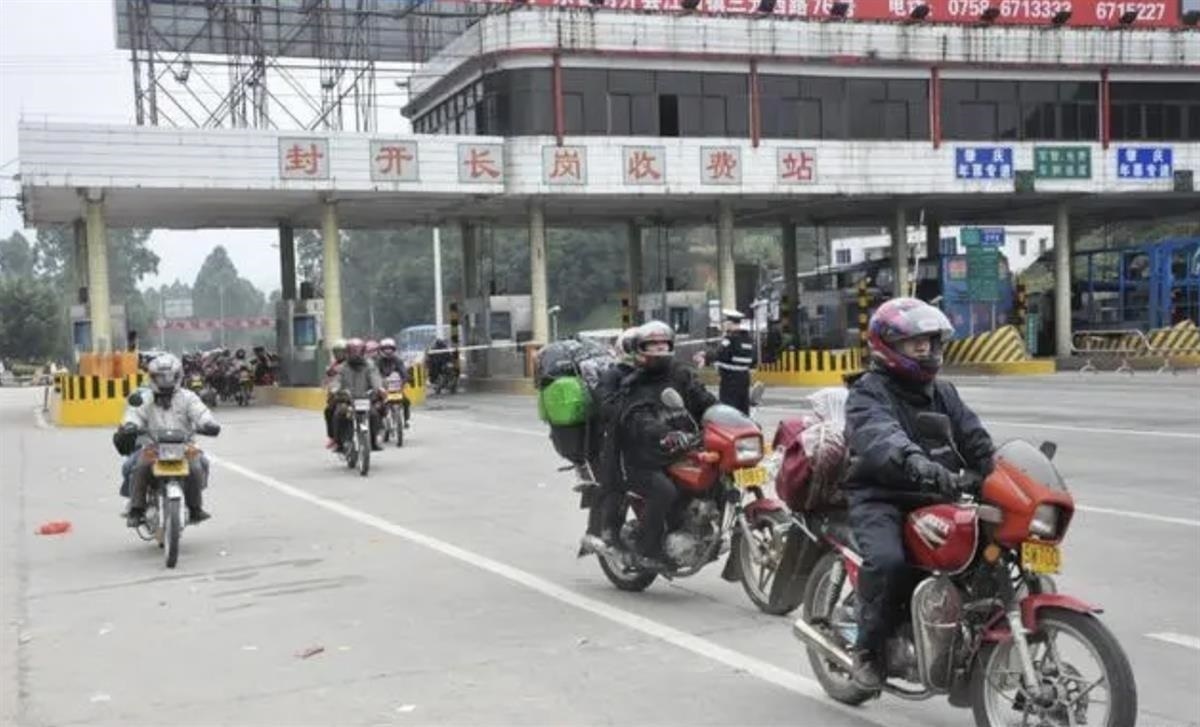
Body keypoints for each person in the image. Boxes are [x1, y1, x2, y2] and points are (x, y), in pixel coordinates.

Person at [843, 297, 995, 691]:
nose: (926, 349)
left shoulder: (943, 393)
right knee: (889, 562)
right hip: (882, 495)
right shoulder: (868, 392)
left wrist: (995, 468)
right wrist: (915, 462)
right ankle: (867, 649)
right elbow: (880, 435)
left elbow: (973, 436)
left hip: (934, 494)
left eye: (930, 341)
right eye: (916, 343)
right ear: (889, 346)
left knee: (984, 552)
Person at [614, 321, 717, 569]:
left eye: (663, 344)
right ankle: (646, 548)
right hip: (644, 458)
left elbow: (704, 400)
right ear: (640, 349)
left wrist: (729, 416)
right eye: (653, 345)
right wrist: (665, 434)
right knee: (664, 490)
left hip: (682, 451)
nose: (659, 349)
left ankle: (699, 530)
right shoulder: (634, 384)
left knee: (717, 477)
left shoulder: (681, 375)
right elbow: (639, 419)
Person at [113, 354, 220, 527]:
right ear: (152, 377)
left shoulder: (188, 397)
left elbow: (200, 412)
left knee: (197, 466)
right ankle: (136, 509)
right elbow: (133, 414)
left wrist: (208, 423)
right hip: (153, 447)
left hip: (184, 446)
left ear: (178, 376)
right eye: (160, 377)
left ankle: (195, 507)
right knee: (140, 467)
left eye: (170, 376)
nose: (165, 381)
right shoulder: (144, 398)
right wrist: (130, 425)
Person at [578, 326, 640, 555]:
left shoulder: (655, 374)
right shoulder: (613, 375)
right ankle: (605, 534)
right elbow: (607, 408)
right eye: (638, 346)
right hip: (614, 442)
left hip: (647, 440)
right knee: (615, 485)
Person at [329, 338, 385, 452]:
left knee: (374, 415)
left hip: (364, 399)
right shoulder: (342, 367)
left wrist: (379, 388)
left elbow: (375, 378)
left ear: (363, 352)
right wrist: (335, 389)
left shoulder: (369, 365)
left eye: (358, 351)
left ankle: (374, 441)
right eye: (353, 351)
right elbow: (337, 380)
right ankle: (339, 443)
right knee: (338, 415)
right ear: (348, 352)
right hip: (347, 400)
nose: (356, 355)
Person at [706, 310, 757, 415]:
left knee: (728, 411)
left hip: (730, 380)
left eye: (725, 322)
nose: (724, 325)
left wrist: (706, 357)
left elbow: (720, 355)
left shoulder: (730, 340)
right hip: (744, 378)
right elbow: (753, 360)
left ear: (730, 323)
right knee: (742, 409)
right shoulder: (749, 340)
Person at [375, 337, 411, 429]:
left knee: (406, 401)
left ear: (393, 349)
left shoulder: (398, 360)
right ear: (382, 350)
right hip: (383, 389)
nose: (388, 351)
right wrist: (379, 383)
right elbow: (375, 374)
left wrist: (405, 379)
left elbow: (403, 372)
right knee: (377, 404)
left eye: (390, 348)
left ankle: (406, 420)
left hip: (396, 388)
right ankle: (379, 424)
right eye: (385, 348)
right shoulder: (378, 361)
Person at [323, 338, 348, 449]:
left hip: (354, 392)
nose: (339, 354)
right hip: (340, 393)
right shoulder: (333, 365)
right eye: (337, 352)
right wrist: (330, 389)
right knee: (329, 410)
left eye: (341, 352)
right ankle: (333, 437)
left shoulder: (352, 363)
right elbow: (328, 379)